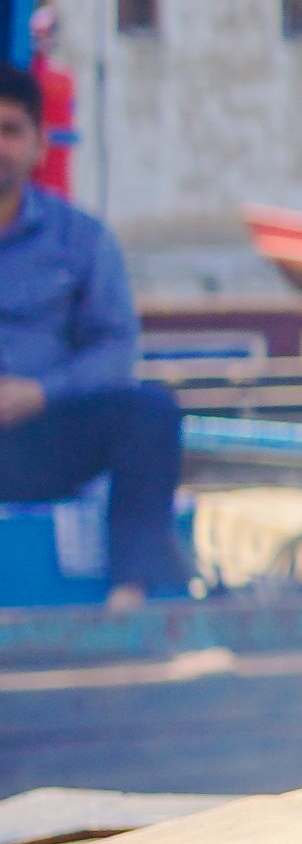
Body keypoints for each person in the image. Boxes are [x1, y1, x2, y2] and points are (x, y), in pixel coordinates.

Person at [0, 94, 190, 605]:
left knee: (150, 413)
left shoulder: (80, 239)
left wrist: (40, 393)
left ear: (40, 144)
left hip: (42, 436)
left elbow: (114, 346)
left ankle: (129, 594)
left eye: (11, 130)